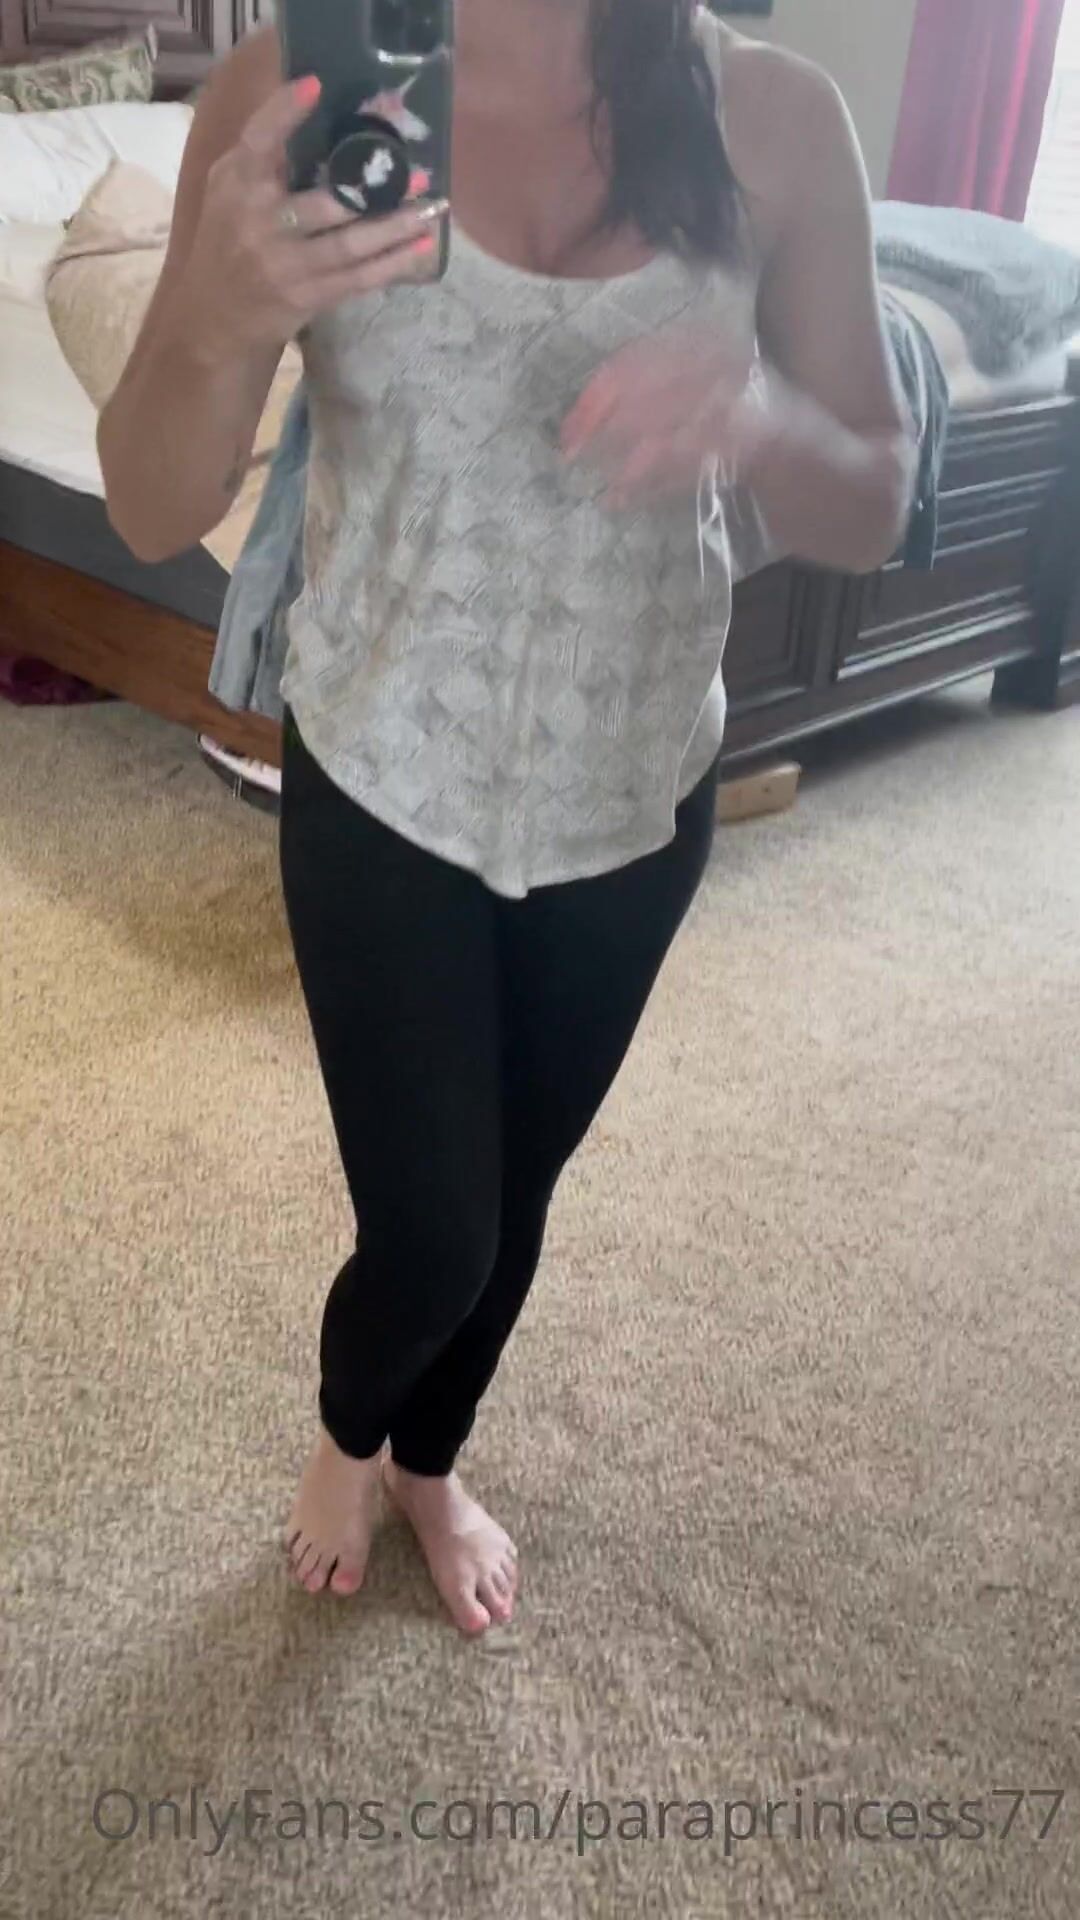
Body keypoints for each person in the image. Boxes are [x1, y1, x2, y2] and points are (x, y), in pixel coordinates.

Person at [99, 0, 914, 1636]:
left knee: (518, 1194)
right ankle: (350, 1432)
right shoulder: (296, 86)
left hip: (634, 792)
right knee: (436, 1232)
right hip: (383, 774)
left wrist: (760, 417)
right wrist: (210, 314)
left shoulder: (770, 116)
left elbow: (876, 497)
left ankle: (429, 1460)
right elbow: (149, 502)